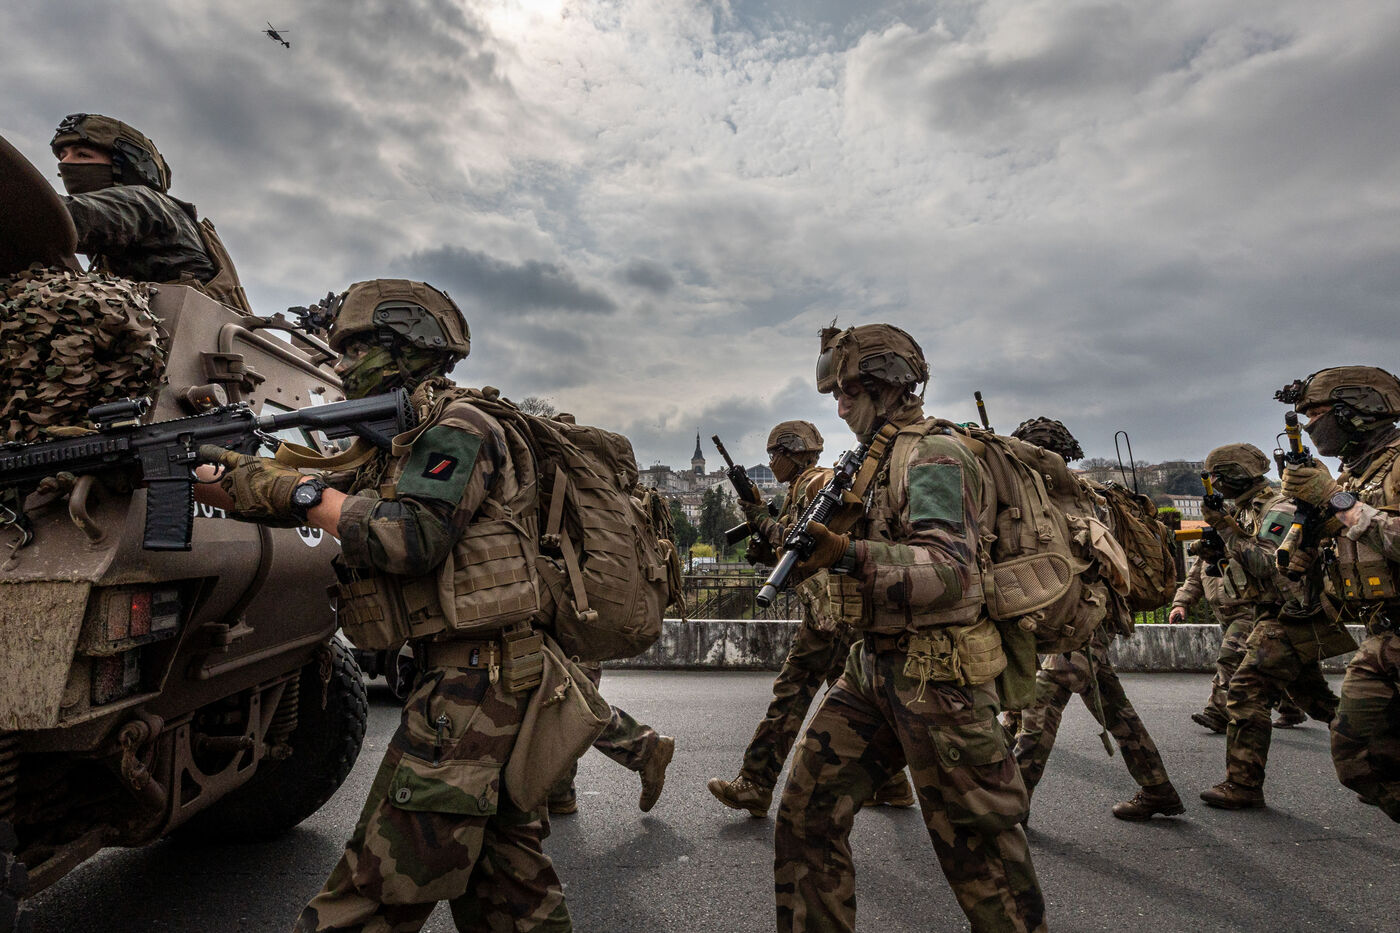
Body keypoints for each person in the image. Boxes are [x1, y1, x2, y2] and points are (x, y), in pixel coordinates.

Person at [194, 279, 571, 931]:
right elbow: (313, 493)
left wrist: (300, 491)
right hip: (481, 679)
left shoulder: (460, 427)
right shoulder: (402, 442)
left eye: (354, 349)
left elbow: (410, 536)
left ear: (406, 347)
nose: (340, 366)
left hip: (474, 688)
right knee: (511, 890)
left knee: (376, 886)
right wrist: (203, 471)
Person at [773, 324, 1045, 933]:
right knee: (806, 816)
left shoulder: (934, 455)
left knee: (983, 860)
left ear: (887, 386)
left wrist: (846, 554)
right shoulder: (875, 458)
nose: (839, 408)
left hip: (940, 675)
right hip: (872, 667)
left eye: (848, 393)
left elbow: (950, 570)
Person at [708, 420, 914, 817]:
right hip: (830, 612)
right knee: (856, 699)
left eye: (775, 455)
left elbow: (806, 540)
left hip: (829, 614)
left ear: (791, 454)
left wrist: (759, 518)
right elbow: (793, 549)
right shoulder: (800, 489)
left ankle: (755, 783)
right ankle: (892, 783)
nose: (771, 462)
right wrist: (765, 546)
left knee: (792, 693)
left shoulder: (815, 484)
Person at [1007, 417, 1184, 822]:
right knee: (1113, 706)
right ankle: (1158, 788)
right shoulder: (1079, 495)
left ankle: (1009, 810)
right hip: (1087, 621)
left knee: (1041, 704)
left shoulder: (1070, 501)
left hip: (1084, 621)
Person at [1277, 366, 1400, 821]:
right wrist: (1310, 551)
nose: (1310, 425)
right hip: (1383, 637)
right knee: (1358, 760)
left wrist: (1336, 501)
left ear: (1357, 409)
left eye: (1317, 413)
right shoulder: (1356, 475)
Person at [1199, 442, 1345, 810]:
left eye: (1216, 478)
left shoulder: (1278, 507)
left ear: (1234, 476)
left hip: (1291, 613)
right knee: (1318, 702)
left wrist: (1224, 527)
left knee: (1245, 690)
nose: (1215, 486)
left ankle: (1243, 785)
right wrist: (1219, 549)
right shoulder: (1248, 509)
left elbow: (1266, 562)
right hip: (1274, 612)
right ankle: (1380, 757)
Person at [49, 112, 251, 312]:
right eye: (63, 156)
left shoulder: (145, 203)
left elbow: (61, 216)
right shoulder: (115, 243)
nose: (65, 164)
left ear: (126, 167)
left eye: (82, 155)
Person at [1170, 536, 1307, 732]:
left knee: (1229, 658)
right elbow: (1193, 581)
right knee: (1265, 666)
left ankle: (1218, 713)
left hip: (1248, 613)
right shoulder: (1207, 550)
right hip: (1225, 617)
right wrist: (1181, 604)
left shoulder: (1242, 545)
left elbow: (1263, 568)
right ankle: (1291, 708)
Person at [546, 661, 675, 815]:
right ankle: (559, 791)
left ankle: (645, 747)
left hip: (569, 653)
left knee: (576, 709)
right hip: (573, 654)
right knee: (560, 713)